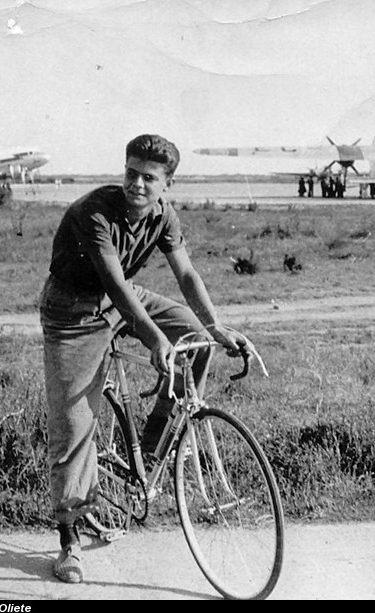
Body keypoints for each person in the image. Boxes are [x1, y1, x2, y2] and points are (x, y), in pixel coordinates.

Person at [38, 134, 245, 584]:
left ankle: (150, 452)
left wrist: (216, 327)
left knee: (196, 339)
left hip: (123, 301)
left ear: (166, 184)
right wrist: (154, 341)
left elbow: (186, 273)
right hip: (73, 311)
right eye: (131, 173)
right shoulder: (92, 213)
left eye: (149, 178)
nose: (136, 184)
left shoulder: (164, 216)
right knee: (74, 427)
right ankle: (70, 537)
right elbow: (114, 283)